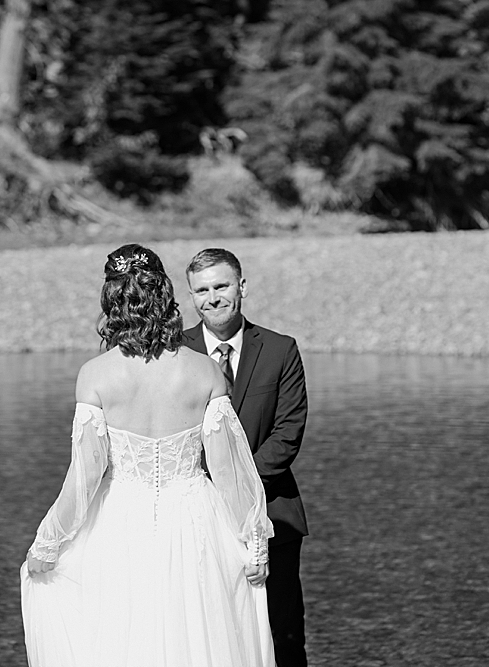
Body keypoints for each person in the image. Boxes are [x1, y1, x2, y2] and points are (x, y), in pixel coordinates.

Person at [20, 244, 277, 667]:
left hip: (120, 527)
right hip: (197, 523)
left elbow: (85, 477)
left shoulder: (95, 376)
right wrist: (254, 542)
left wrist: (48, 542)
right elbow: (229, 472)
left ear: (111, 303)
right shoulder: (206, 372)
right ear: (166, 297)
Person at [183, 248, 309, 667]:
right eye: (201, 290)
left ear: (242, 287)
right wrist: (207, 492)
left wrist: (236, 488)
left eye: (221, 286)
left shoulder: (280, 349)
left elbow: (287, 434)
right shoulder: (173, 354)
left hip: (273, 514)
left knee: (283, 635)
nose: (212, 297)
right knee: (211, 635)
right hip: (197, 517)